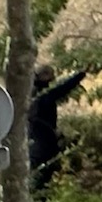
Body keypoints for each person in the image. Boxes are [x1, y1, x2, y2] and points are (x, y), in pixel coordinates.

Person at [28, 64, 86, 192]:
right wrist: (80, 75)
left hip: (35, 141)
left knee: (39, 175)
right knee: (43, 176)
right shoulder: (41, 94)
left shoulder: (29, 93)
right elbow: (62, 88)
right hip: (42, 143)